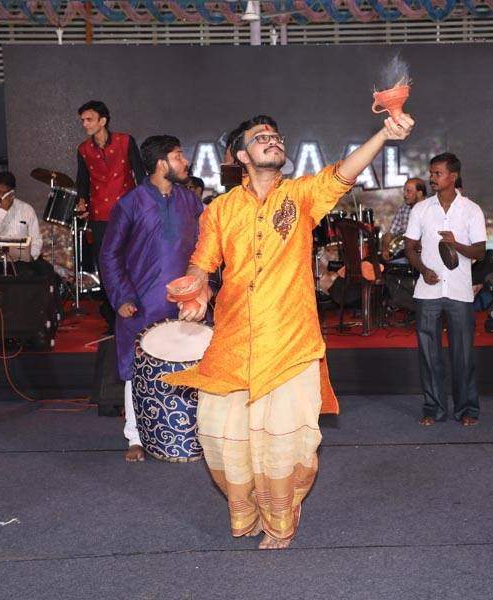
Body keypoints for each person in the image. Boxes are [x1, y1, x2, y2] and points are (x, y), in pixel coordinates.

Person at [164, 112, 415, 549]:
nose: (272, 140)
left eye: (276, 136)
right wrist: (195, 291)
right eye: (261, 137)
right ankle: (245, 511)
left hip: (289, 340)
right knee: (222, 435)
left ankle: (281, 519)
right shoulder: (220, 210)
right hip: (234, 341)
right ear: (241, 156)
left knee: (285, 438)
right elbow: (202, 263)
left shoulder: (300, 196)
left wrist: (383, 134)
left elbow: (344, 172)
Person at [98, 135, 203, 462]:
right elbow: (110, 254)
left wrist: (203, 288)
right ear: (161, 164)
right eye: (178, 156)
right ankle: (136, 437)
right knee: (137, 370)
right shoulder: (130, 203)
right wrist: (122, 297)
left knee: (191, 366)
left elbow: (207, 248)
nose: (185, 161)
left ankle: (191, 436)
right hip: (142, 304)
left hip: (186, 303)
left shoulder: (190, 201)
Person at [404, 153, 486, 427]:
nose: (432, 178)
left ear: (453, 176)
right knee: (429, 356)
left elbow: (480, 252)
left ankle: (467, 410)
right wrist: (423, 269)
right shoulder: (421, 209)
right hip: (427, 292)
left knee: (463, 355)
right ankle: (433, 409)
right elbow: (409, 247)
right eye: (431, 173)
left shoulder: (472, 210)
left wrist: (456, 244)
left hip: (460, 292)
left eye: (437, 173)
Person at [74, 100, 146, 330]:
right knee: (106, 264)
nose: (85, 124)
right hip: (100, 215)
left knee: (132, 260)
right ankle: (113, 315)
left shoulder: (125, 141)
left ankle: (138, 311)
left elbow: (140, 174)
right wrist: (81, 201)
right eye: (83, 120)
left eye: (89, 119)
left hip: (128, 212)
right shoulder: (83, 150)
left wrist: (147, 205)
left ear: (102, 121)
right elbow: (82, 180)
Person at [0, 171, 43, 263]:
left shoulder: (26, 209)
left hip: (22, 261)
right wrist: (3, 210)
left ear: (12, 191)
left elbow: (36, 239)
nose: (0, 196)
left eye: (5, 193)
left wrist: (31, 256)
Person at [381, 177, 426, 261]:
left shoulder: (431, 209)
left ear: (419, 193)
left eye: (408, 191)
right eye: (404, 191)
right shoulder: (403, 209)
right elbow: (391, 233)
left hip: (427, 256)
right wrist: (385, 249)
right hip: (406, 256)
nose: (405, 195)